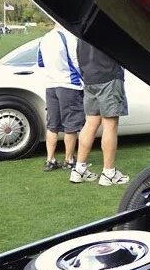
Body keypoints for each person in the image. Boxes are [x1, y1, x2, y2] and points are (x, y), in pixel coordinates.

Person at [70, 39, 130, 186]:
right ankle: (109, 173)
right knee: (110, 125)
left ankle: (79, 169)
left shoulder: (84, 29)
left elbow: (78, 53)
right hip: (108, 77)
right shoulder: (108, 24)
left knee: (90, 123)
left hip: (90, 78)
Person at [37, 26, 84, 171]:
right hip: (69, 84)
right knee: (71, 125)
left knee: (52, 125)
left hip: (51, 85)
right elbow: (76, 62)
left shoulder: (45, 38)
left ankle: (50, 159)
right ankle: (69, 160)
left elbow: (40, 62)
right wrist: (84, 79)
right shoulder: (69, 37)